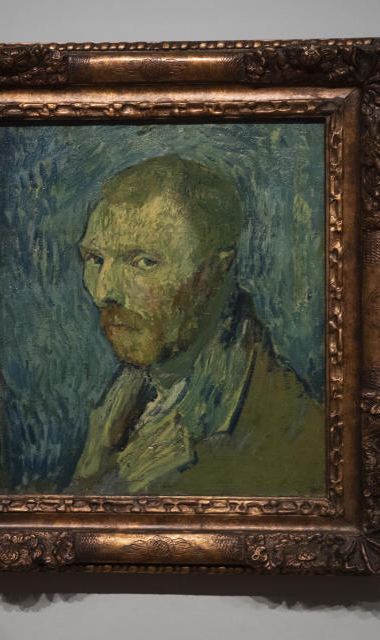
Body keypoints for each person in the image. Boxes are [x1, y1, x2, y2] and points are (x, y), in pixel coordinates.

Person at [70, 155, 325, 496]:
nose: (103, 292)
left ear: (215, 272)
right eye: (95, 260)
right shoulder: (131, 393)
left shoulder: (284, 433)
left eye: (143, 262)